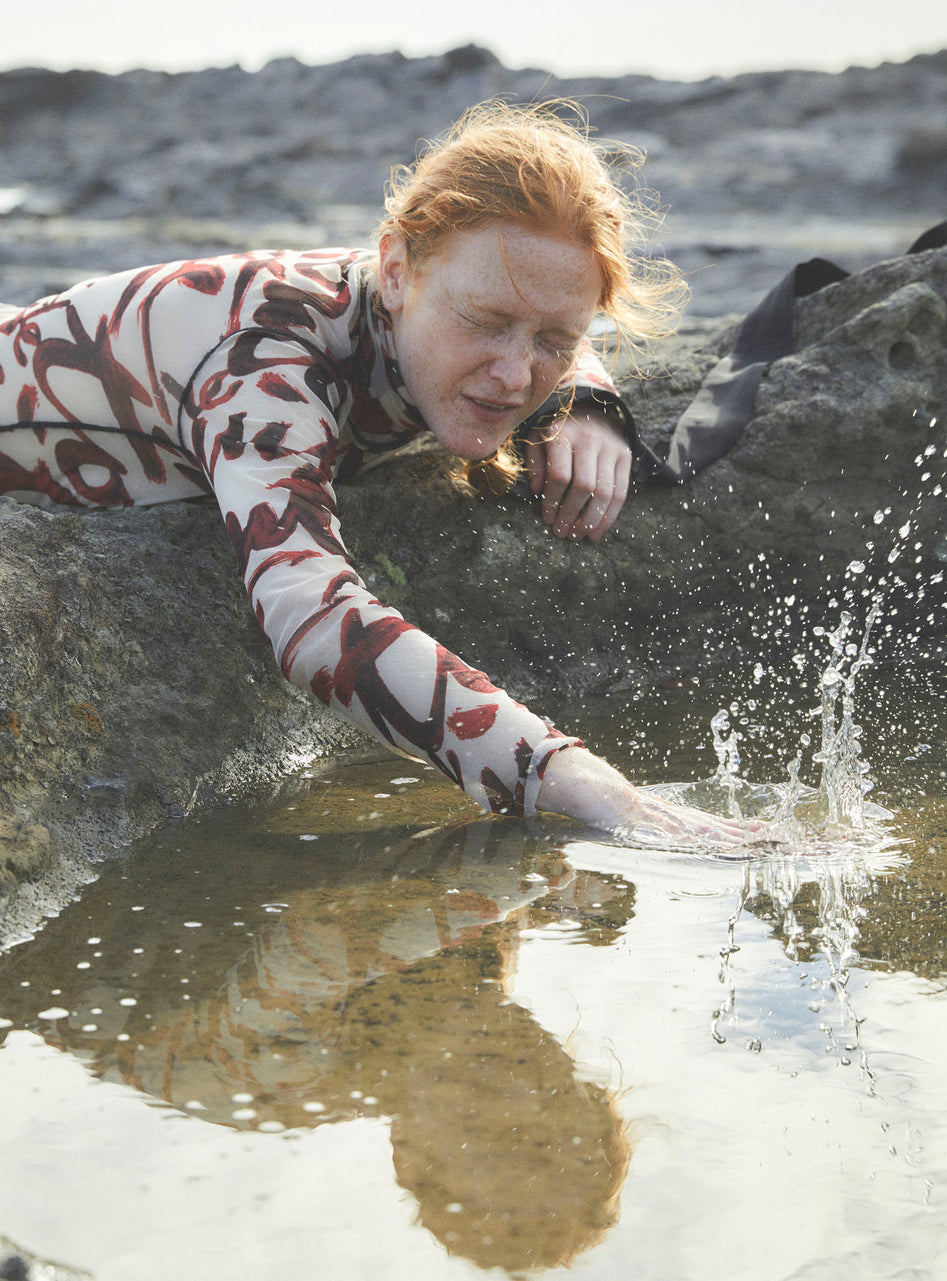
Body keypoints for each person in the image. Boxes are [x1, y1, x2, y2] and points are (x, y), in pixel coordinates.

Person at [0, 101, 749, 849]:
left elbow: (522, 310)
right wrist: (578, 781)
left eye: (556, 338)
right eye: (486, 323)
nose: (518, 374)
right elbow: (310, 621)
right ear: (395, 269)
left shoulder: (431, 295)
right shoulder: (268, 359)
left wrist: (588, 397)